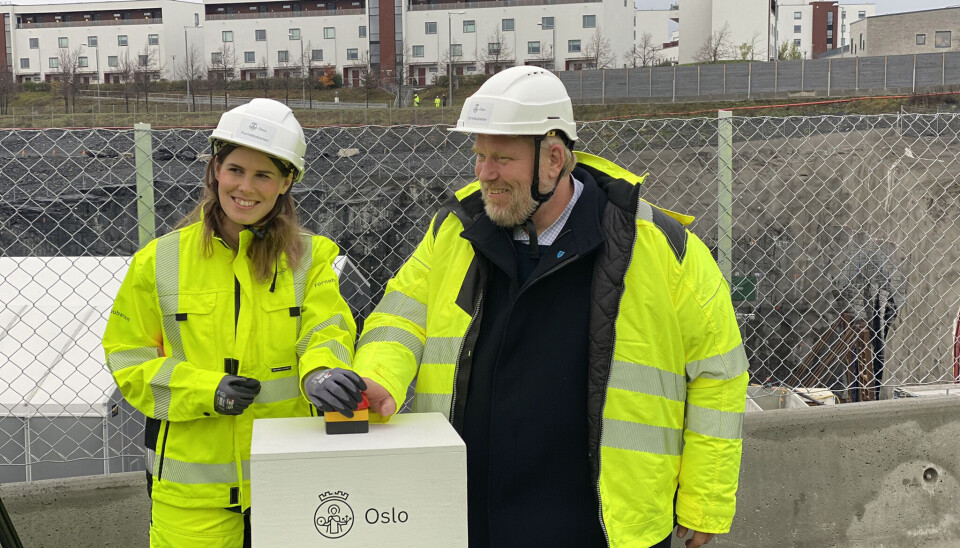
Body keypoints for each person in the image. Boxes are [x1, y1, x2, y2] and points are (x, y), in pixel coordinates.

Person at [318, 66, 749, 547]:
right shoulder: (455, 232)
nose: (484, 173)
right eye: (479, 155)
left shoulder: (659, 247)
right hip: (473, 517)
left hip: (603, 525)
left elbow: (720, 372)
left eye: (501, 158)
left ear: (554, 159)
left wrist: (704, 502)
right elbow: (399, 317)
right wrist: (380, 375)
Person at [103, 98, 357, 548]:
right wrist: (205, 391)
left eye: (264, 175)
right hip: (191, 494)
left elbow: (327, 329)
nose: (246, 187)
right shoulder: (158, 263)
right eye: (236, 169)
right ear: (215, 170)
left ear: (286, 183)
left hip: (287, 481)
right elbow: (129, 359)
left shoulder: (313, 259)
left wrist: (321, 369)